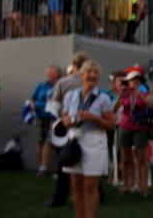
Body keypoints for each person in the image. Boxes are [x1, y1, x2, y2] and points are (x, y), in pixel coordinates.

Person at [62, 59, 115, 218]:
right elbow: (64, 117)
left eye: (95, 72)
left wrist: (94, 118)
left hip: (94, 141)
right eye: (88, 72)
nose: (92, 75)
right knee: (76, 185)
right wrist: (66, 121)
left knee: (91, 186)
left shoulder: (103, 98)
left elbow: (111, 124)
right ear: (81, 75)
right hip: (75, 139)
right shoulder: (71, 95)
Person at [47, 51, 90, 208]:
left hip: (68, 127)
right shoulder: (90, 83)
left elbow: (54, 104)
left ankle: (60, 198)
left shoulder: (64, 83)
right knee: (88, 162)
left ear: (74, 65)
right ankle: (95, 193)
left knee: (64, 164)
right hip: (87, 126)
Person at [114, 67, 153, 197]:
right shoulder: (125, 93)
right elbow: (114, 109)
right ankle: (127, 185)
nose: (134, 83)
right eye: (131, 80)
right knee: (125, 158)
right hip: (126, 126)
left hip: (140, 127)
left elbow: (152, 105)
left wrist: (140, 94)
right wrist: (121, 95)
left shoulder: (142, 92)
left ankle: (143, 186)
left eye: (136, 80)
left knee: (141, 158)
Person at [30, 65, 62, 175]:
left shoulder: (60, 85)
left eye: (51, 73)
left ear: (57, 74)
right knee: (40, 141)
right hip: (40, 116)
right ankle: (40, 167)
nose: (48, 75)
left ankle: (44, 166)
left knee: (49, 142)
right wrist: (32, 105)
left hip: (53, 117)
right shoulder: (42, 85)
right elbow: (32, 99)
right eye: (48, 73)